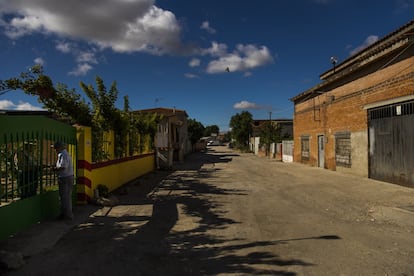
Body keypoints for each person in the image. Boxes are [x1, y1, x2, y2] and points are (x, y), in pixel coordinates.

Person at [53, 141, 74, 220]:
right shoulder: (65, 154)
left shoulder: (63, 154)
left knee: (65, 197)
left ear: (59, 148)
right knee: (66, 196)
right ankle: (66, 214)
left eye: (56, 148)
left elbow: (63, 167)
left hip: (65, 177)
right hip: (68, 176)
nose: (55, 150)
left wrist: (54, 169)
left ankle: (67, 215)